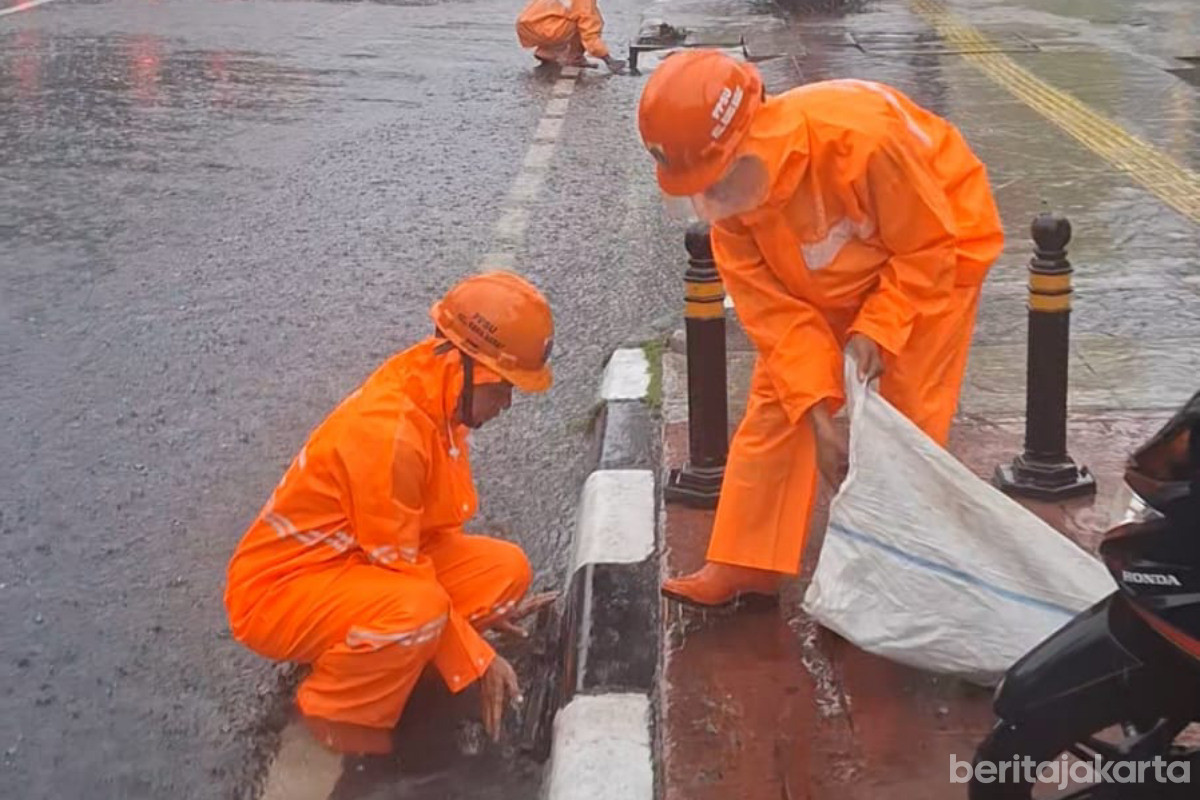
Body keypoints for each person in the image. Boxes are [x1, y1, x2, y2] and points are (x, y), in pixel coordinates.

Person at [638, 50, 1005, 608]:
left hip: (937, 250)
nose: (711, 202)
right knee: (777, 402)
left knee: (904, 407)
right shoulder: (732, 213)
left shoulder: (862, 141)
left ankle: (898, 565)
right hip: (827, 266)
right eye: (699, 189)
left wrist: (877, 330)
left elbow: (928, 247)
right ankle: (746, 561)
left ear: (746, 148)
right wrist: (817, 416)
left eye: (715, 181)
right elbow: (781, 325)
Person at [224, 271, 558, 754]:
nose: (507, 404)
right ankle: (336, 713)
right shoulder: (391, 434)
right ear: (473, 370)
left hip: (357, 562)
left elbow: (423, 539)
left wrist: (467, 638)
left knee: (504, 572)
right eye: (504, 388)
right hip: (279, 591)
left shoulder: (434, 391)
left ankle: (383, 649)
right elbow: (406, 573)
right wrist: (477, 657)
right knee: (416, 610)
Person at [516, 0, 627, 73]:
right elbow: (589, 31)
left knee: (564, 17)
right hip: (550, 29)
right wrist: (607, 59)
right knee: (585, 21)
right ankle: (575, 57)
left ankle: (546, 52)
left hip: (527, 26)